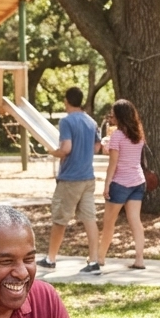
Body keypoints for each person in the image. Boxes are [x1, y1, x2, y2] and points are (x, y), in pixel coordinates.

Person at [39, 87, 102, 275]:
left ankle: (50, 258)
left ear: (67, 100)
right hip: (88, 178)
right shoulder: (91, 121)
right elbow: (97, 146)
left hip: (70, 179)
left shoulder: (66, 121)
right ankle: (94, 261)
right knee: (90, 219)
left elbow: (66, 148)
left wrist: (52, 151)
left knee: (60, 219)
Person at [98, 100, 146, 270]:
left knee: (109, 223)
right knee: (135, 221)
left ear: (119, 116)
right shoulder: (138, 133)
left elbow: (113, 164)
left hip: (120, 183)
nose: (111, 116)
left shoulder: (117, 135)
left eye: (113, 113)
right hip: (138, 182)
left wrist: (106, 185)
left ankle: (100, 258)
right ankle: (139, 259)